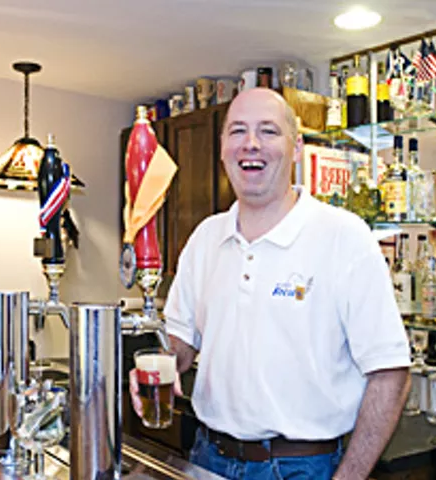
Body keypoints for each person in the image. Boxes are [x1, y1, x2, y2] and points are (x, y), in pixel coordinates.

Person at [130, 87, 411, 480]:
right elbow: (182, 341)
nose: (251, 144)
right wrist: (160, 365)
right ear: (222, 148)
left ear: (296, 148)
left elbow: (391, 373)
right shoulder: (206, 238)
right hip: (208, 456)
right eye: (238, 131)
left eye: (268, 131)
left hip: (302, 467)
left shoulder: (343, 236)